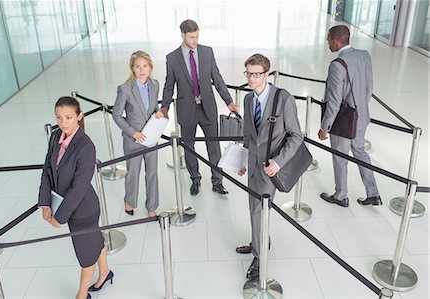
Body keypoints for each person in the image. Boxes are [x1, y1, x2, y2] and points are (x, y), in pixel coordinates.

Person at [38, 97, 113, 299]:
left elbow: (79, 188)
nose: (63, 123)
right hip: (66, 205)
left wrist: (59, 217)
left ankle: (81, 295)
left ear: (79, 117)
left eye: (69, 117)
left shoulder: (86, 146)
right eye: (59, 118)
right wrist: (44, 203)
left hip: (83, 210)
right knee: (94, 240)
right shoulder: (55, 137)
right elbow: (47, 171)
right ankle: (105, 272)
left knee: (85, 256)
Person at [236, 54, 303, 280]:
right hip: (254, 163)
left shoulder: (282, 99)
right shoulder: (248, 99)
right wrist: (243, 159)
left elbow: (296, 136)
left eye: (256, 74)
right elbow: (248, 133)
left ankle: (259, 256)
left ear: (267, 74)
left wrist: (278, 162)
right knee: (255, 208)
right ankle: (260, 240)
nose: (251, 79)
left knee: (258, 209)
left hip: (271, 165)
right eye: (248, 73)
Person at [160, 19, 238, 196]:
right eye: (191, 37)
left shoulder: (207, 52)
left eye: (197, 36)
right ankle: (195, 179)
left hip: (207, 107)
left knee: (214, 146)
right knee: (189, 147)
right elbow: (168, 85)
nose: (195, 40)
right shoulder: (172, 58)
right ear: (182, 35)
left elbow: (217, 78)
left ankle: (217, 181)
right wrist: (164, 106)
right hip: (186, 109)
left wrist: (228, 101)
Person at [318, 25, 381, 208]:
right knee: (360, 152)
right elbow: (369, 87)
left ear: (336, 41)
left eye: (329, 39)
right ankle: (373, 193)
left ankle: (341, 195)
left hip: (344, 122)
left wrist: (325, 127)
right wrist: (360, 110)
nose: (327, 42)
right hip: (361, 117)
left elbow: (334, 101)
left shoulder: (337, 65)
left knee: (340, 157)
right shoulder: (364, 55)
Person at [113, 51, 162, 217]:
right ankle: (130, 201)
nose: (141, 70)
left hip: (151, 138)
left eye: (145, 66)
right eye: (137, 66)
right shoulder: (125, 89)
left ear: (150, 68)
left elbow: (153, 107)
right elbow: (117, 115)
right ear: (132, 69)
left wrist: (159, 114)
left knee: (152, 173)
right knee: (133, 172)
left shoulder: (155, 84)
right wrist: (133, 133)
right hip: (133, 140)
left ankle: (152, 207)